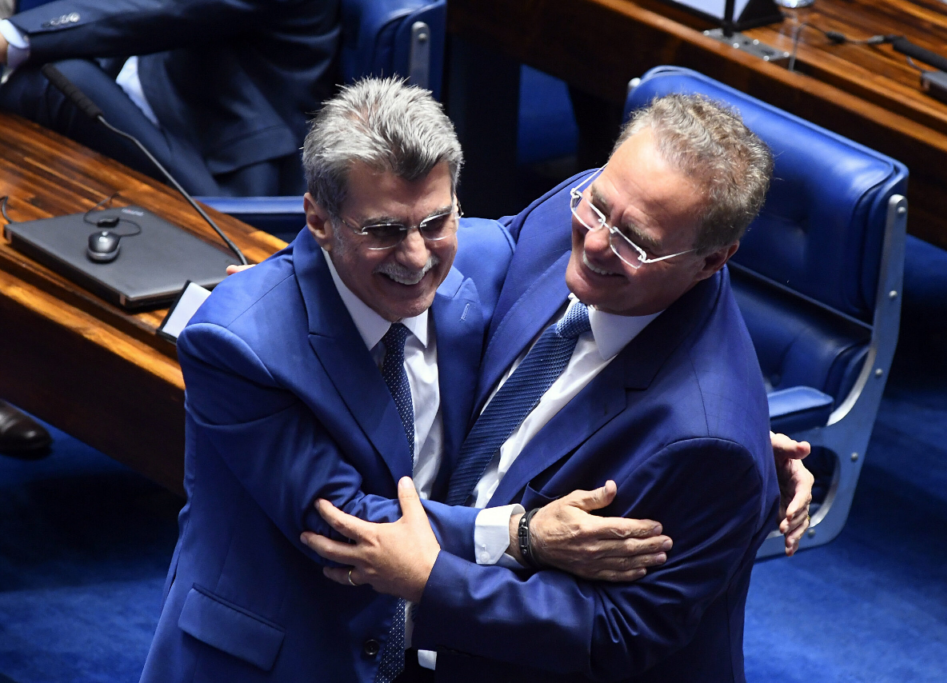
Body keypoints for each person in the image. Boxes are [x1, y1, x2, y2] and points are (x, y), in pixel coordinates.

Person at [139, 77, 679, 683]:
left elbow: (678, 242)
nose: (419, 258)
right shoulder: (235, 344)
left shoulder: (487, 261)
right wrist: (525, 537)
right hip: (273, 657)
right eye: (385, 231)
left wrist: (739, 430)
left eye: (435, 221)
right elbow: (342, 523)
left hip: (426, 652)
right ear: (318, 217)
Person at [304, 92, 788, 682]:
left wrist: (431, 578)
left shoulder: (708, 444)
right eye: (599, 206)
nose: (592, 242)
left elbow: (619, 632)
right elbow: (487, 249)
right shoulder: (590, 200)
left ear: (712, 261)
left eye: (634, 242)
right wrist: (302, 286)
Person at [0, 0, 339, 196]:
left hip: (222, 169)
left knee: (57, 79)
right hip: (170, 96)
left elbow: (166, 7)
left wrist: (12, 35)